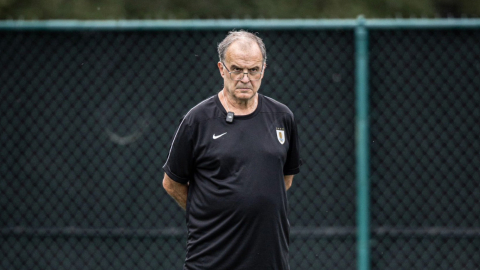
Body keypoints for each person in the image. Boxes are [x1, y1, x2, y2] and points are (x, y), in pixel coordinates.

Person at [162, 30, 301, 270]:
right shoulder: (198, 119)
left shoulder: (282, 117)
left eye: (253, 70)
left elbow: (283, 179)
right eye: (237, 69)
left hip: (270, 260)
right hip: (212, 259)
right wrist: (212, 212)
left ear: (263, 70)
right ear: (221, 69)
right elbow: (172, 183)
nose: (245, 78)